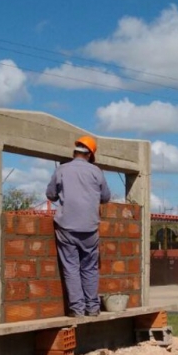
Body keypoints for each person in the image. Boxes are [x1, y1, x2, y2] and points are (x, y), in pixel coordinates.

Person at [45, 135, 111, 318]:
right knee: (89, 268)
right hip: (90, 228)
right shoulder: (96, 171)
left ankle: (77, 309)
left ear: (75, 152)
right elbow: (105, 197)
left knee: (71, 268)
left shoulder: (62, 170)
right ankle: (92, 308)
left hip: (67, 227)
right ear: (90, 154)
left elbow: (50, 195)